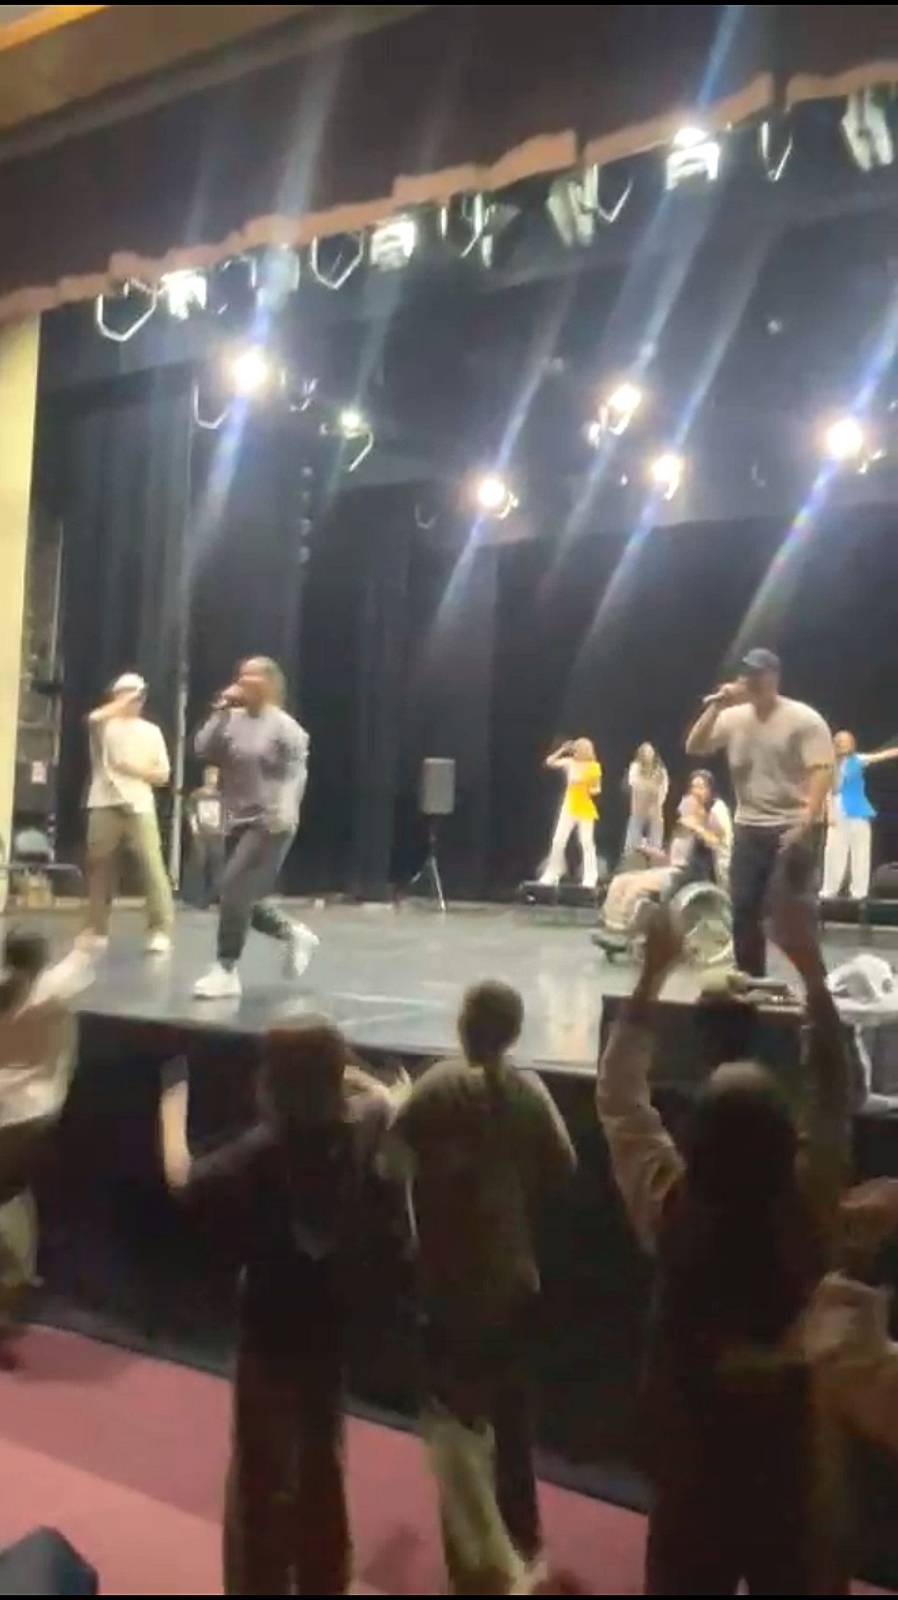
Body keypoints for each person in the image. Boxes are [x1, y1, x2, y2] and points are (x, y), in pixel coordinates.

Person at [596, 899, 898, 1595]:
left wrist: (651, 975)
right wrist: (810, 967)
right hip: (792, 1473)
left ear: (693, 1141)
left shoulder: (669, 1208)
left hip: (691, 1464)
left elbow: (620, 1099)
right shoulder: (816, 1208)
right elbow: (831, 1090)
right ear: (787, 1142)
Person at [158, 1020, 409, 1595]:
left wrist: (172, 1102)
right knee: (322, 1457)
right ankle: (325, 1578)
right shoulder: (360, 1127)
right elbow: (386, 1095)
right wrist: (344, 1071)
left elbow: (182, 1180)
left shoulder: (261, 1151)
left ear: (270, 1084)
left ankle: (258, 1583)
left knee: (260, 1469)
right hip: (328, 1322)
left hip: (269, 1327)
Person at [384, 981, 577, 1594]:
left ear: (464, 1023)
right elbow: (563, 1165)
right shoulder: (529, 1090)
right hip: (513, 1280)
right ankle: (524, 1550)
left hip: (449, 1284)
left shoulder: (437, 1085)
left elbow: (389, 1164)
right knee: (514, 1423)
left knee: (461, 1432)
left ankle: (474, 1568)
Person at [686, 647, 833, 976]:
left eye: (758, 674)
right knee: (744, 908)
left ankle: (817, 984)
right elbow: (695, 746)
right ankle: (751, 981)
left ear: (773, 678)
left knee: (793, 914)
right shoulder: (733, 717)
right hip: (749, 827)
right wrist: (716, 706)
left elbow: (821, 769)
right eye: (746, 674)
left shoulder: (803, 719)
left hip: (791, 825)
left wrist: (807, 820)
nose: (750, 681)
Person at [192, 658, 318, 1000]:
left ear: (270, 685)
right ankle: (291, 932)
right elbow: (202, 749)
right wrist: (219, 712)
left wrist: (286, 811)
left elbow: (296, 774)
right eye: (242, 675)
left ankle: (226, 969)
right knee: (237, 894)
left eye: (253, 676)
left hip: (271, 820)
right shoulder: (230, 720)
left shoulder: (285, 728)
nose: (244, 681)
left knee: (234, 888)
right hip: (237, 819)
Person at [0, 934, 93, 1363]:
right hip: (33, 1118)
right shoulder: (53, 990)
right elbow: (90, 944)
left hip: (9, 1117)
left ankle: (12, 1291)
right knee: (13, 1200)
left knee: (12, 1200)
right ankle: (11, 1293)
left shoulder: (9, 992)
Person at [80, 672, 174, 955]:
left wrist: (133, 769)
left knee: (151, 866)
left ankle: (160, 930)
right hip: (103, 802)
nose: (132, 701)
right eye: (124, 694)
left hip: (139, 804)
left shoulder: (151, 731)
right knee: (99, 867)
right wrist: (121, 702)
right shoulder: (105, 726)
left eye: (136, 696)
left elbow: (163, 775)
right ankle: (98, 929)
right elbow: (93, 718)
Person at [600, 770, 731, 936]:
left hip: (690, 875)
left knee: (635, 887)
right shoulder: (683, 826)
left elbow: (716, 843)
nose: (696, 791)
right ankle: (610, 925)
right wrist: (648, 849)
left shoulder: (711, 817)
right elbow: (670, 859)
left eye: (701, 787)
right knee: (620, 881)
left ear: (710, 791)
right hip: (672, 869)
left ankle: (623, 930)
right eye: (693, 787)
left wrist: (697, 827)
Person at [822, 730, 898, 901]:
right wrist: (830, 812)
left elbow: (882, 755)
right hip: (838, 809)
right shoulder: (829, 765)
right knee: (834, 851)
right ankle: (829, 889)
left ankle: (859, 891)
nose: (843, 744)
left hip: (857, 809)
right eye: (840, 741)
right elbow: (828, 791)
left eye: (847, 741)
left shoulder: (858, 760)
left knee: (861, 851)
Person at [538, 737, 602, 890]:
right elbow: (549, 762)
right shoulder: (570, 763)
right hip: (569, 806)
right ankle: (553, 872)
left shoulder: (594, 767)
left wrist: (588, 786)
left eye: (581, 749)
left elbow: (597, 789)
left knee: (586, 842)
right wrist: (562, 750)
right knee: (558, 840)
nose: (578, 751)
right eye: (576, 748)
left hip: (584, 807)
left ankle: (591, 876)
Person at [184, 766, 226, 910]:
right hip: (201, 834)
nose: (212, 778)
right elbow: (191, 812)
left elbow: (225, 814)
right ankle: (196, 898)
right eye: (210, 775)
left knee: (217, 866)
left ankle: (215, 897)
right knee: (199, 863)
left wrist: (224, 830)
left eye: (215, 776)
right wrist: (194, 829)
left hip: (217, 834)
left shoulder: (221, 796)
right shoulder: (196, 795)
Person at [624, 743, 669, 854]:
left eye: (650, 751)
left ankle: (655, 852)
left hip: (655, 805)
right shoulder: (635, 767)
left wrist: (659, 801)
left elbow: (664, 787)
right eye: (646, 751)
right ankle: (630, 853)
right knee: (635, 828)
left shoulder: (660, 770)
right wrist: (650, 787)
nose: (648, 754)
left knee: (656, 830)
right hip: (639, 804)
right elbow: (633, 782)